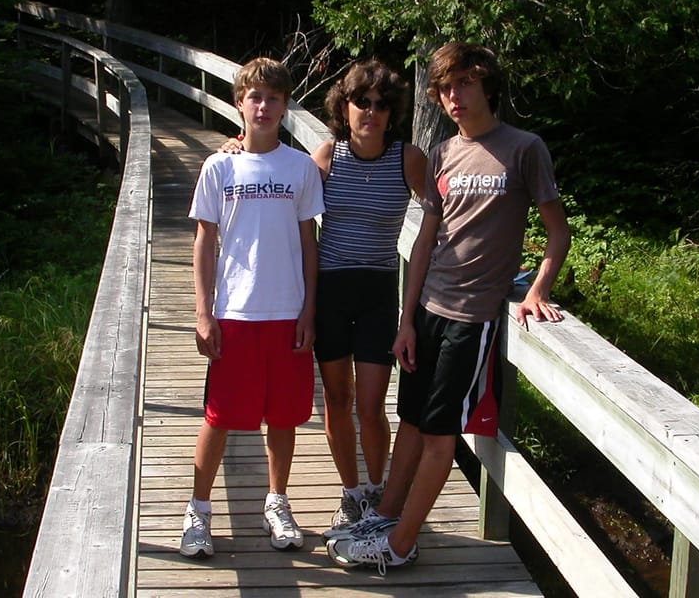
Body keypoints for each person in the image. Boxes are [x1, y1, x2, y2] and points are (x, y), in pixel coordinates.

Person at [325, 42, 571, 573]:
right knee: (411, 419)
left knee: (440, 433)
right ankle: (386, 517)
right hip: (430, 307)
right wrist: (406, 319)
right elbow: (425, 240)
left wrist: (538, 290)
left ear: (486, 85)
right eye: (443, 89)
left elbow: (558, 232)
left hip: (474, 316)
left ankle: (400, 545)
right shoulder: (442, 154)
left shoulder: (524, 148)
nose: (452, 97)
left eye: (463, 84)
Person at [222, 59, 427, 533]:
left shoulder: (407, 158)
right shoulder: (327, 157)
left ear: (391, 111)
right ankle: (351, 492)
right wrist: (236, 147)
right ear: (345, 107)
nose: (371, 112)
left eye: (380, 104)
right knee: (337, 398)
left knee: (372, 404)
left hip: (378, 291)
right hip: (331, 289)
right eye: (361, 102)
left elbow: (440, 214)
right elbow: (278, 176)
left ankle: (377, 491)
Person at [180, 56, 325, 559]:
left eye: (274, 98)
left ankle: (277, 502)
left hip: (286, 312)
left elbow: (309, 241)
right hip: (235, 313)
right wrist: (203, 311)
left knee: (283, 417)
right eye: (255, 97)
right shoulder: (220, 165)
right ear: (240, 102)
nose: (264, 107)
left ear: (285, 107)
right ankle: (198, 511)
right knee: (218, 416)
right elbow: (203, 241)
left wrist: (309, 309)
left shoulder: (300, 166)